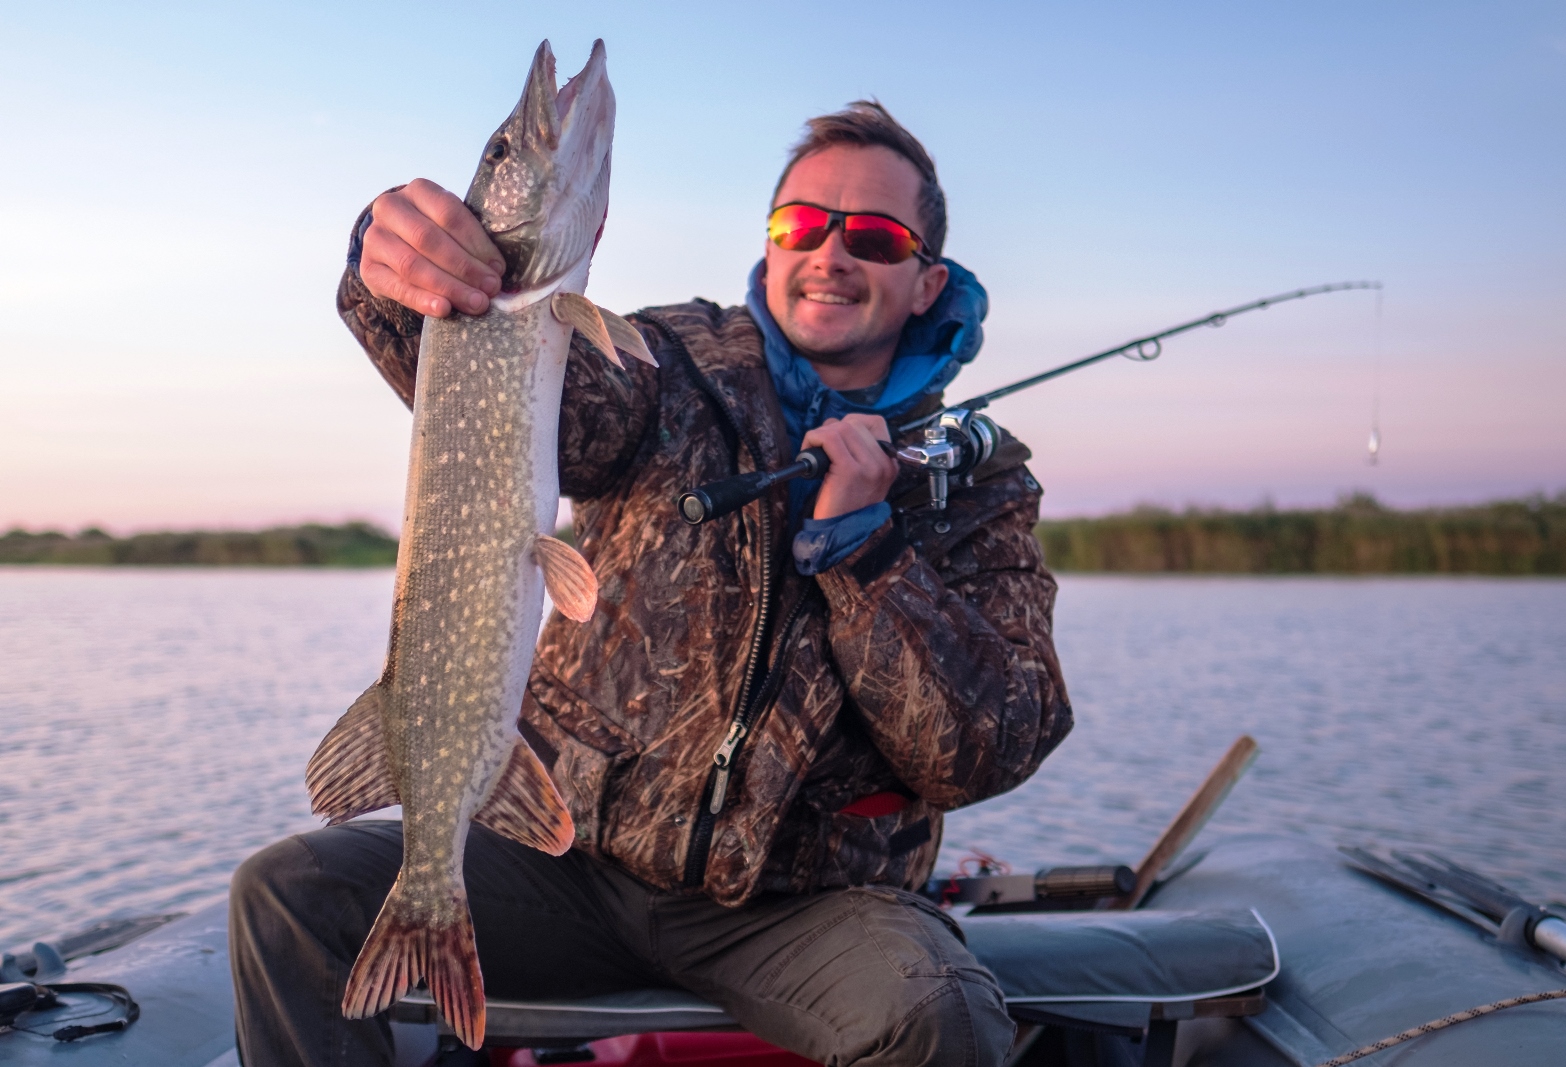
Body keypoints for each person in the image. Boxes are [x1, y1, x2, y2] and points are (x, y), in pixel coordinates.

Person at [230, 100, 1071, 1067]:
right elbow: (535, 400)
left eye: (873, 236)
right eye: (802, 226)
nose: (831, 256)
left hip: (801, 910)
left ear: (926, 281)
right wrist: (400, 273)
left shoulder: (981, 481)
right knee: (290, 894)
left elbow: (987, 747)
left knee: (944, 1016)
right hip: (571, 864)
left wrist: (866, 549)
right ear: (772, 246)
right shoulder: (664, 361)